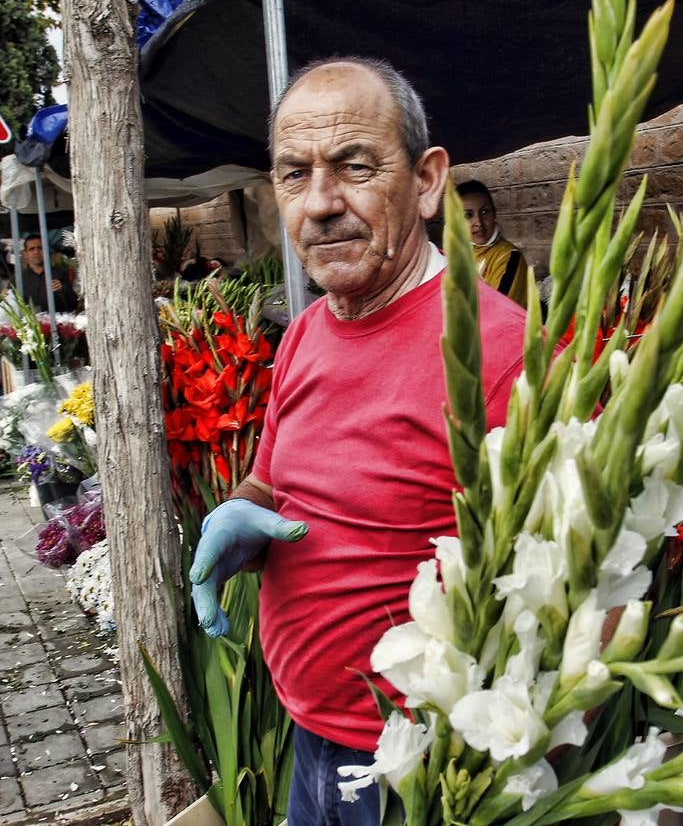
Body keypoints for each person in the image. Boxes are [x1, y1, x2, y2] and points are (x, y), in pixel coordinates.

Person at [187, 58, 527, 824]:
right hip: (308, 733)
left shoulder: (503, 353)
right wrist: (241, 511)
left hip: (424, 765)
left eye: (354, 167)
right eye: (293, 174)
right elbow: (271, 479)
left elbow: (580, 593)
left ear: (429, 180)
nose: (320, 204)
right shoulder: (307, 332)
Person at [457, 179, 530, 307]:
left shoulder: (509, 258)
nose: (478, 222)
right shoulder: (453, 256)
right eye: (468, 215)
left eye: (484, 212)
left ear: (494, 213)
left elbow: (498, 312)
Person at [18, 233, 78, 313]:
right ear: (25, 254)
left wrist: (62, 289)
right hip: (28, 324)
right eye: (31, 249)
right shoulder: (18, 278)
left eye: (40, 248)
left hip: (56, 323)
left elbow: (73, 305)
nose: (36, 252)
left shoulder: (60, 274)